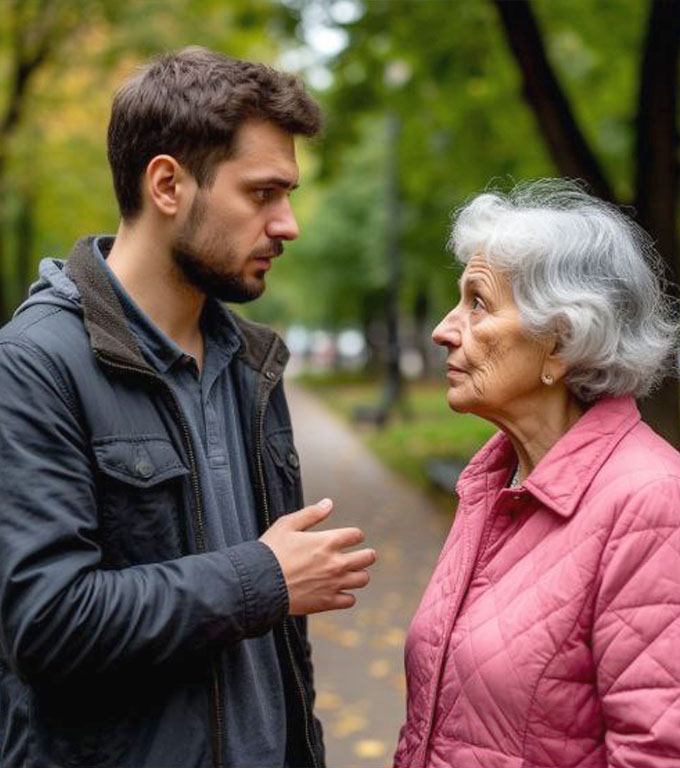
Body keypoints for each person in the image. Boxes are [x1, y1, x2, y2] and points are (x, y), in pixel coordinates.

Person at [0, 47, 377, 768]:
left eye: (288, 193)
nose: (288, 223)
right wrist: (263, 578)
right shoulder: (35, 364)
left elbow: (276, 648)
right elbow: (43, 623)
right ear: (168, 184)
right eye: (263, 193)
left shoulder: (251, 364)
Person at [394, 179, 680, 767]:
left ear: (561, 343)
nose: (444, 329)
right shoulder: (495, 481)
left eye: (477, 302)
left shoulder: (653, 505)